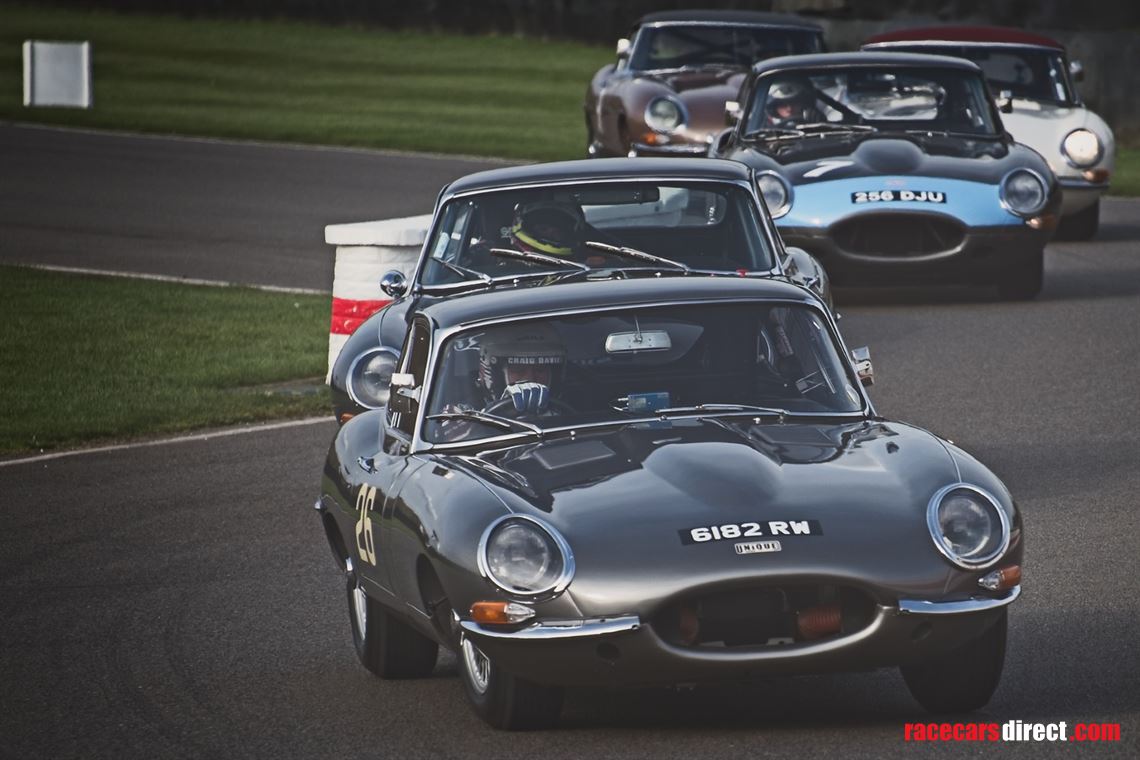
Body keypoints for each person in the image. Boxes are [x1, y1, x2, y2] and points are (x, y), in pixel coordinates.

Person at [508, 200, 587, 258]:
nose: (550, 232)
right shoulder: (506, 258)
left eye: (557, 231)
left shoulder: (585, 263)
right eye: (543, 229)